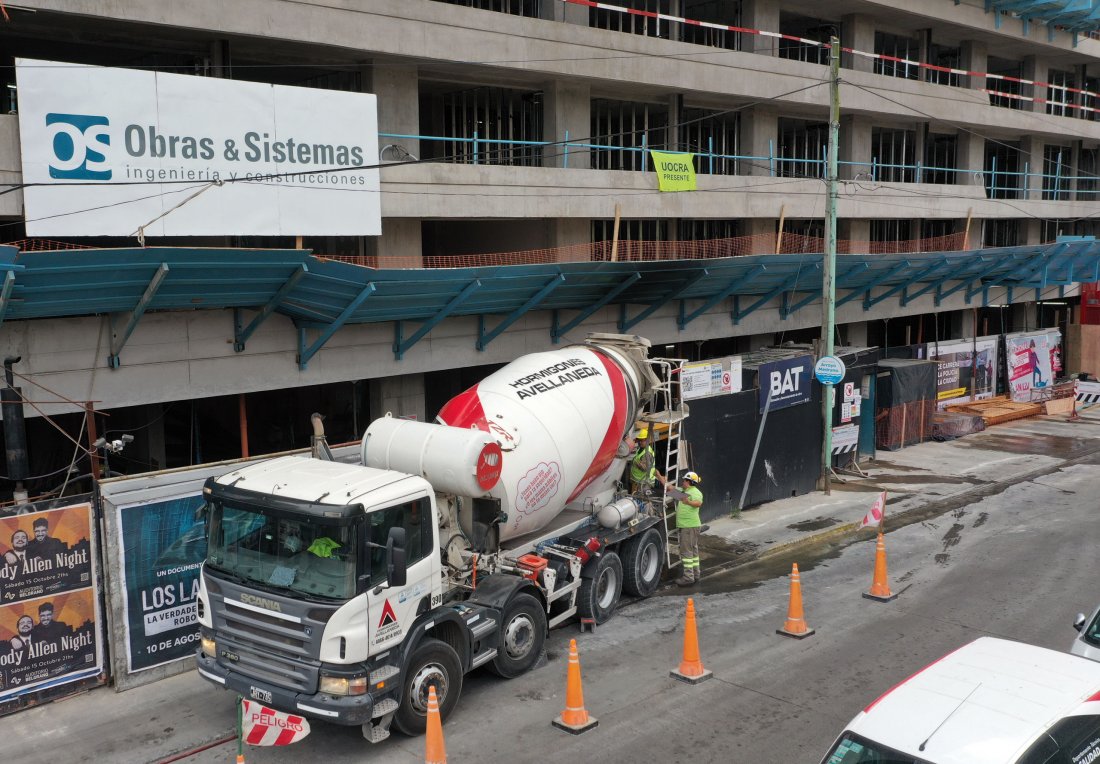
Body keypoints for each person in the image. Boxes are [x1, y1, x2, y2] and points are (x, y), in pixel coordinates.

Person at [657, 470, 703, 586]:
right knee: (693, 551)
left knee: (686, 552)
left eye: (684, 480)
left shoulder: (694, 492)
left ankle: (688, 577)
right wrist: (659, 476)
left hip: (689, 527)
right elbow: (669, 488)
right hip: (689, 527)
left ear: (689, 482)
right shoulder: (684, 491)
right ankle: (695, 574)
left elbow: (698, 503)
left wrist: (689, 502)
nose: (682, 482)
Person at [629, 428, 656, 495]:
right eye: (639, 440)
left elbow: (645, 468)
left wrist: (635, 462)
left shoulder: (647, 453)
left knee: (642, 501)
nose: (640, 442)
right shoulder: (641, 449)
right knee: (636, 500)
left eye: (642, 440)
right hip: (638, 481)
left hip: (644, 482)